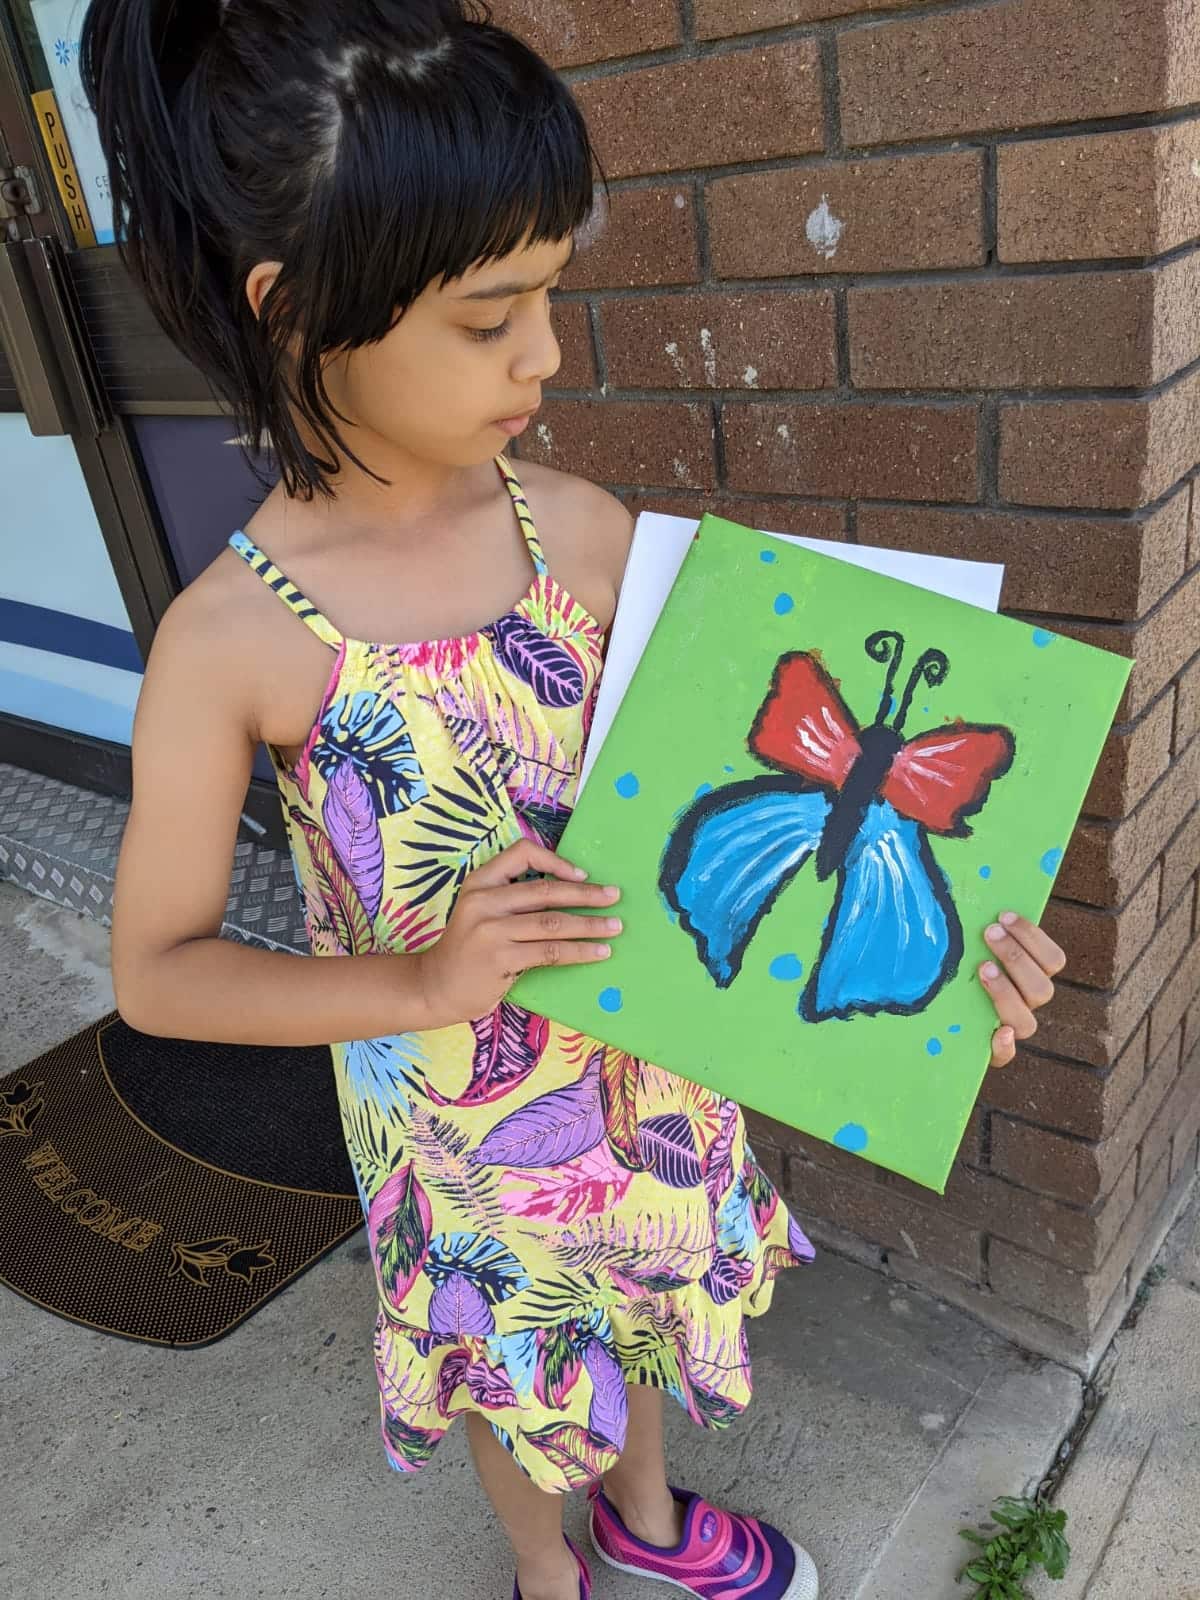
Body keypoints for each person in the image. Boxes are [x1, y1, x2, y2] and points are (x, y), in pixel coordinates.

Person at [80, 4, 1067, 1597]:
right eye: (492, 316)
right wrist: (416, 981)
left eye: (552, 295)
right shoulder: (232, 641)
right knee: (520, 1374)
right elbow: (159, 969)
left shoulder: (587, 533)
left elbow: (740, 811)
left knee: (647, 1308)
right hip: (462, 1139)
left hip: (653, 1074)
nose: (546, 354)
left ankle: (651, 1527)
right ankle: (557, 1576)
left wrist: (950, 986)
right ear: (295, 310)